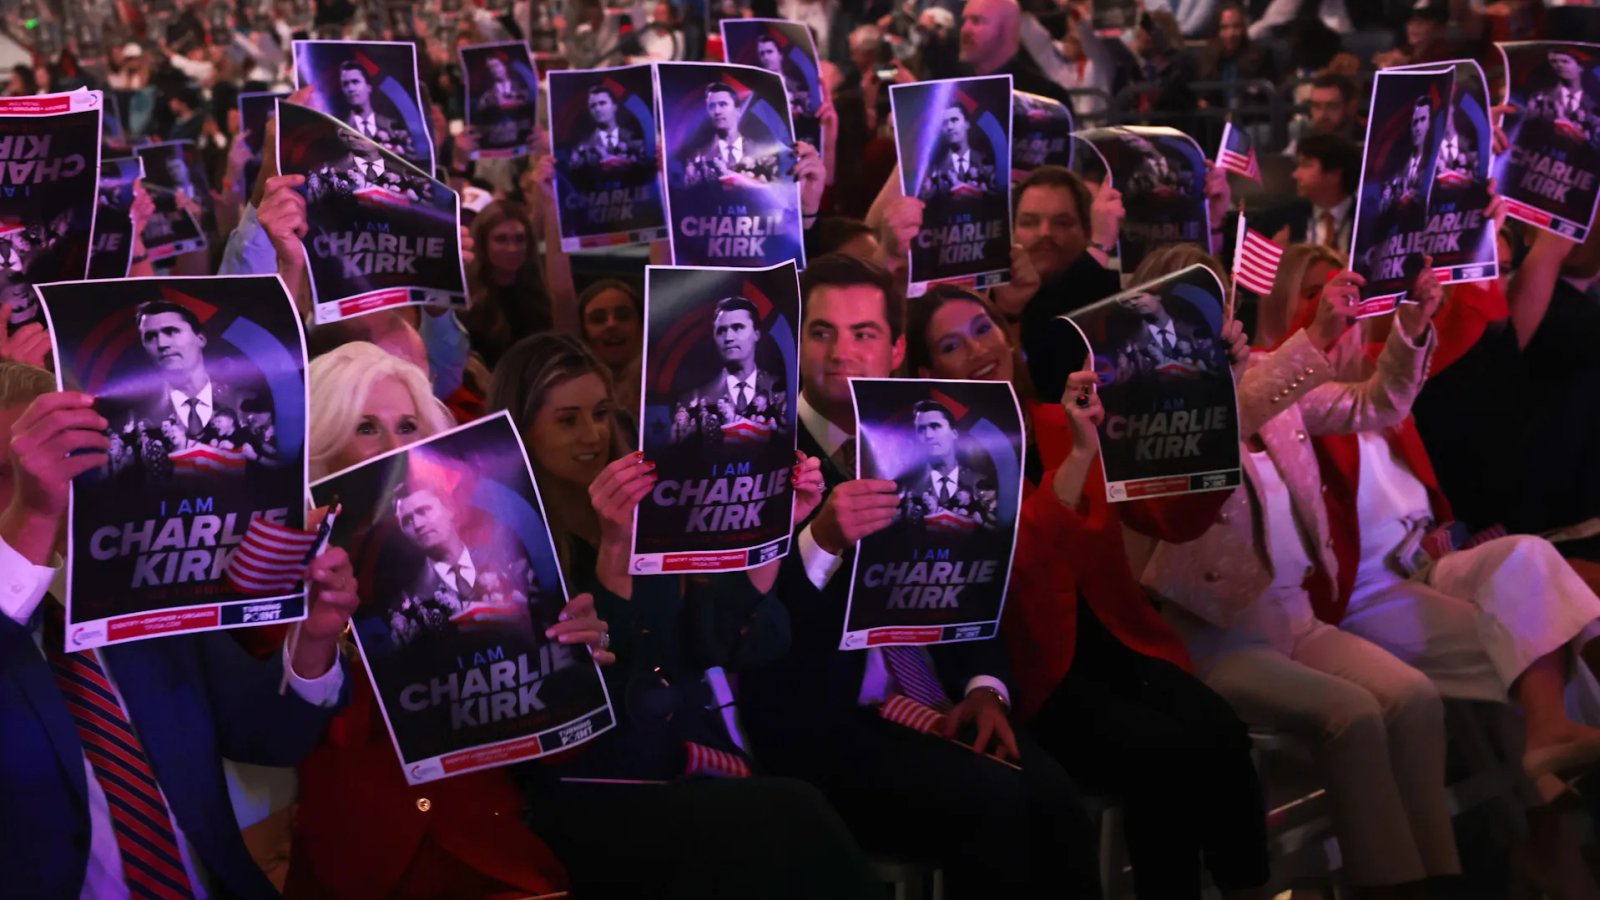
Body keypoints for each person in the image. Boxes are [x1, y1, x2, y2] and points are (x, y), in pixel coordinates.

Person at [737, 253, 1103, 898]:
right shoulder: (754, 450)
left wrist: (986, 690)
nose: (841, 353)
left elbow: (968, 591)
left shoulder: (933, 436)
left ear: (896, 348)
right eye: (821, 332)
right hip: (824, 724)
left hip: (940, 696)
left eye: (863, 333)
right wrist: (820, 541)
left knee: (1056, 800)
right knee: (996, 805)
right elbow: (748, 634)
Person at [902, 281, 1271, 898]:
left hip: (1120, 645)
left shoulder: (1061, 421)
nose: (977, 349)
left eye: (984, 329)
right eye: (951, 345)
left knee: (1222, 734)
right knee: (1163, 757)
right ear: (925, 373)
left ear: (1009, 337)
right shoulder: (930, 463)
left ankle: (1247, 889)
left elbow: (1171, 520)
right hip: (1033, 675)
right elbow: (1018, 566)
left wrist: (1217, 393)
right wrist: (1076, 462)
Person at [488, 332, 879, 900]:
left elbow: (736, 643)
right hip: (593, 787)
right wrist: (616, 551)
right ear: (523, 433)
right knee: (790, 816)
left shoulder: (659, 510)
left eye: (601, 413)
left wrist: (771, 533)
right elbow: (591, 701)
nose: (593, 435)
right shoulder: (509, 547)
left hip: (690, 762)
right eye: (567, 421)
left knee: (796, 817)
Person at [0, 359, 359, 898]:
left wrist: (312, 638)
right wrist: (29, 516)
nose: (49, 489)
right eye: (7, 472)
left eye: (61, 464)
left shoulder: (136, 594)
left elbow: (270, 737)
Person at [289, 342, 574, 899]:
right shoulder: (284, 568)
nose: (395, 447)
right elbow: (279, 734)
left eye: (407, 426)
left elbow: (562, 737)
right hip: (364, 867)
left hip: (492, 848)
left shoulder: (499, 557)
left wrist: (579, 653)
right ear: (321, 444)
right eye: (366, 428)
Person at [461, 200, 553, 368]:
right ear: (482, 243)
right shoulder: (466, 301)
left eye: (519, 239)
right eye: (501, 239)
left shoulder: (539, 294)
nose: (512, 248)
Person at [1258, 133, 1359, 249]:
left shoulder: (1369, 221)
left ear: (1334, 174)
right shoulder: (1276, 221)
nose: (1295, 175)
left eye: (1306, 165)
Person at [682, 82, 782, 187]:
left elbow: (778, 191)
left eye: (723, 104)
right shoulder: (697, 159)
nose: (717, 111)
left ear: (738, 111)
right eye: (711, 106)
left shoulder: (763, 154)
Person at [334, 59, 417, 164]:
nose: (351, 88)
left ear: (369, 87)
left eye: (355, 82)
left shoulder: (392, 126)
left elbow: (413, 157)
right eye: (345, 84)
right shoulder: (340, 131)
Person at [915, 101, 999, 200]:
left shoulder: (986, 163)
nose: (949, 127)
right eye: (944, 123)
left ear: (967, 123)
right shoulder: (935, 168)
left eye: (954, 120)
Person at [571, 84, 645, 169]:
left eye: (602, 103)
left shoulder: (635, 139)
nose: (597, 109)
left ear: (614, 106)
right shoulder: (583, 146)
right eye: (593, 106)